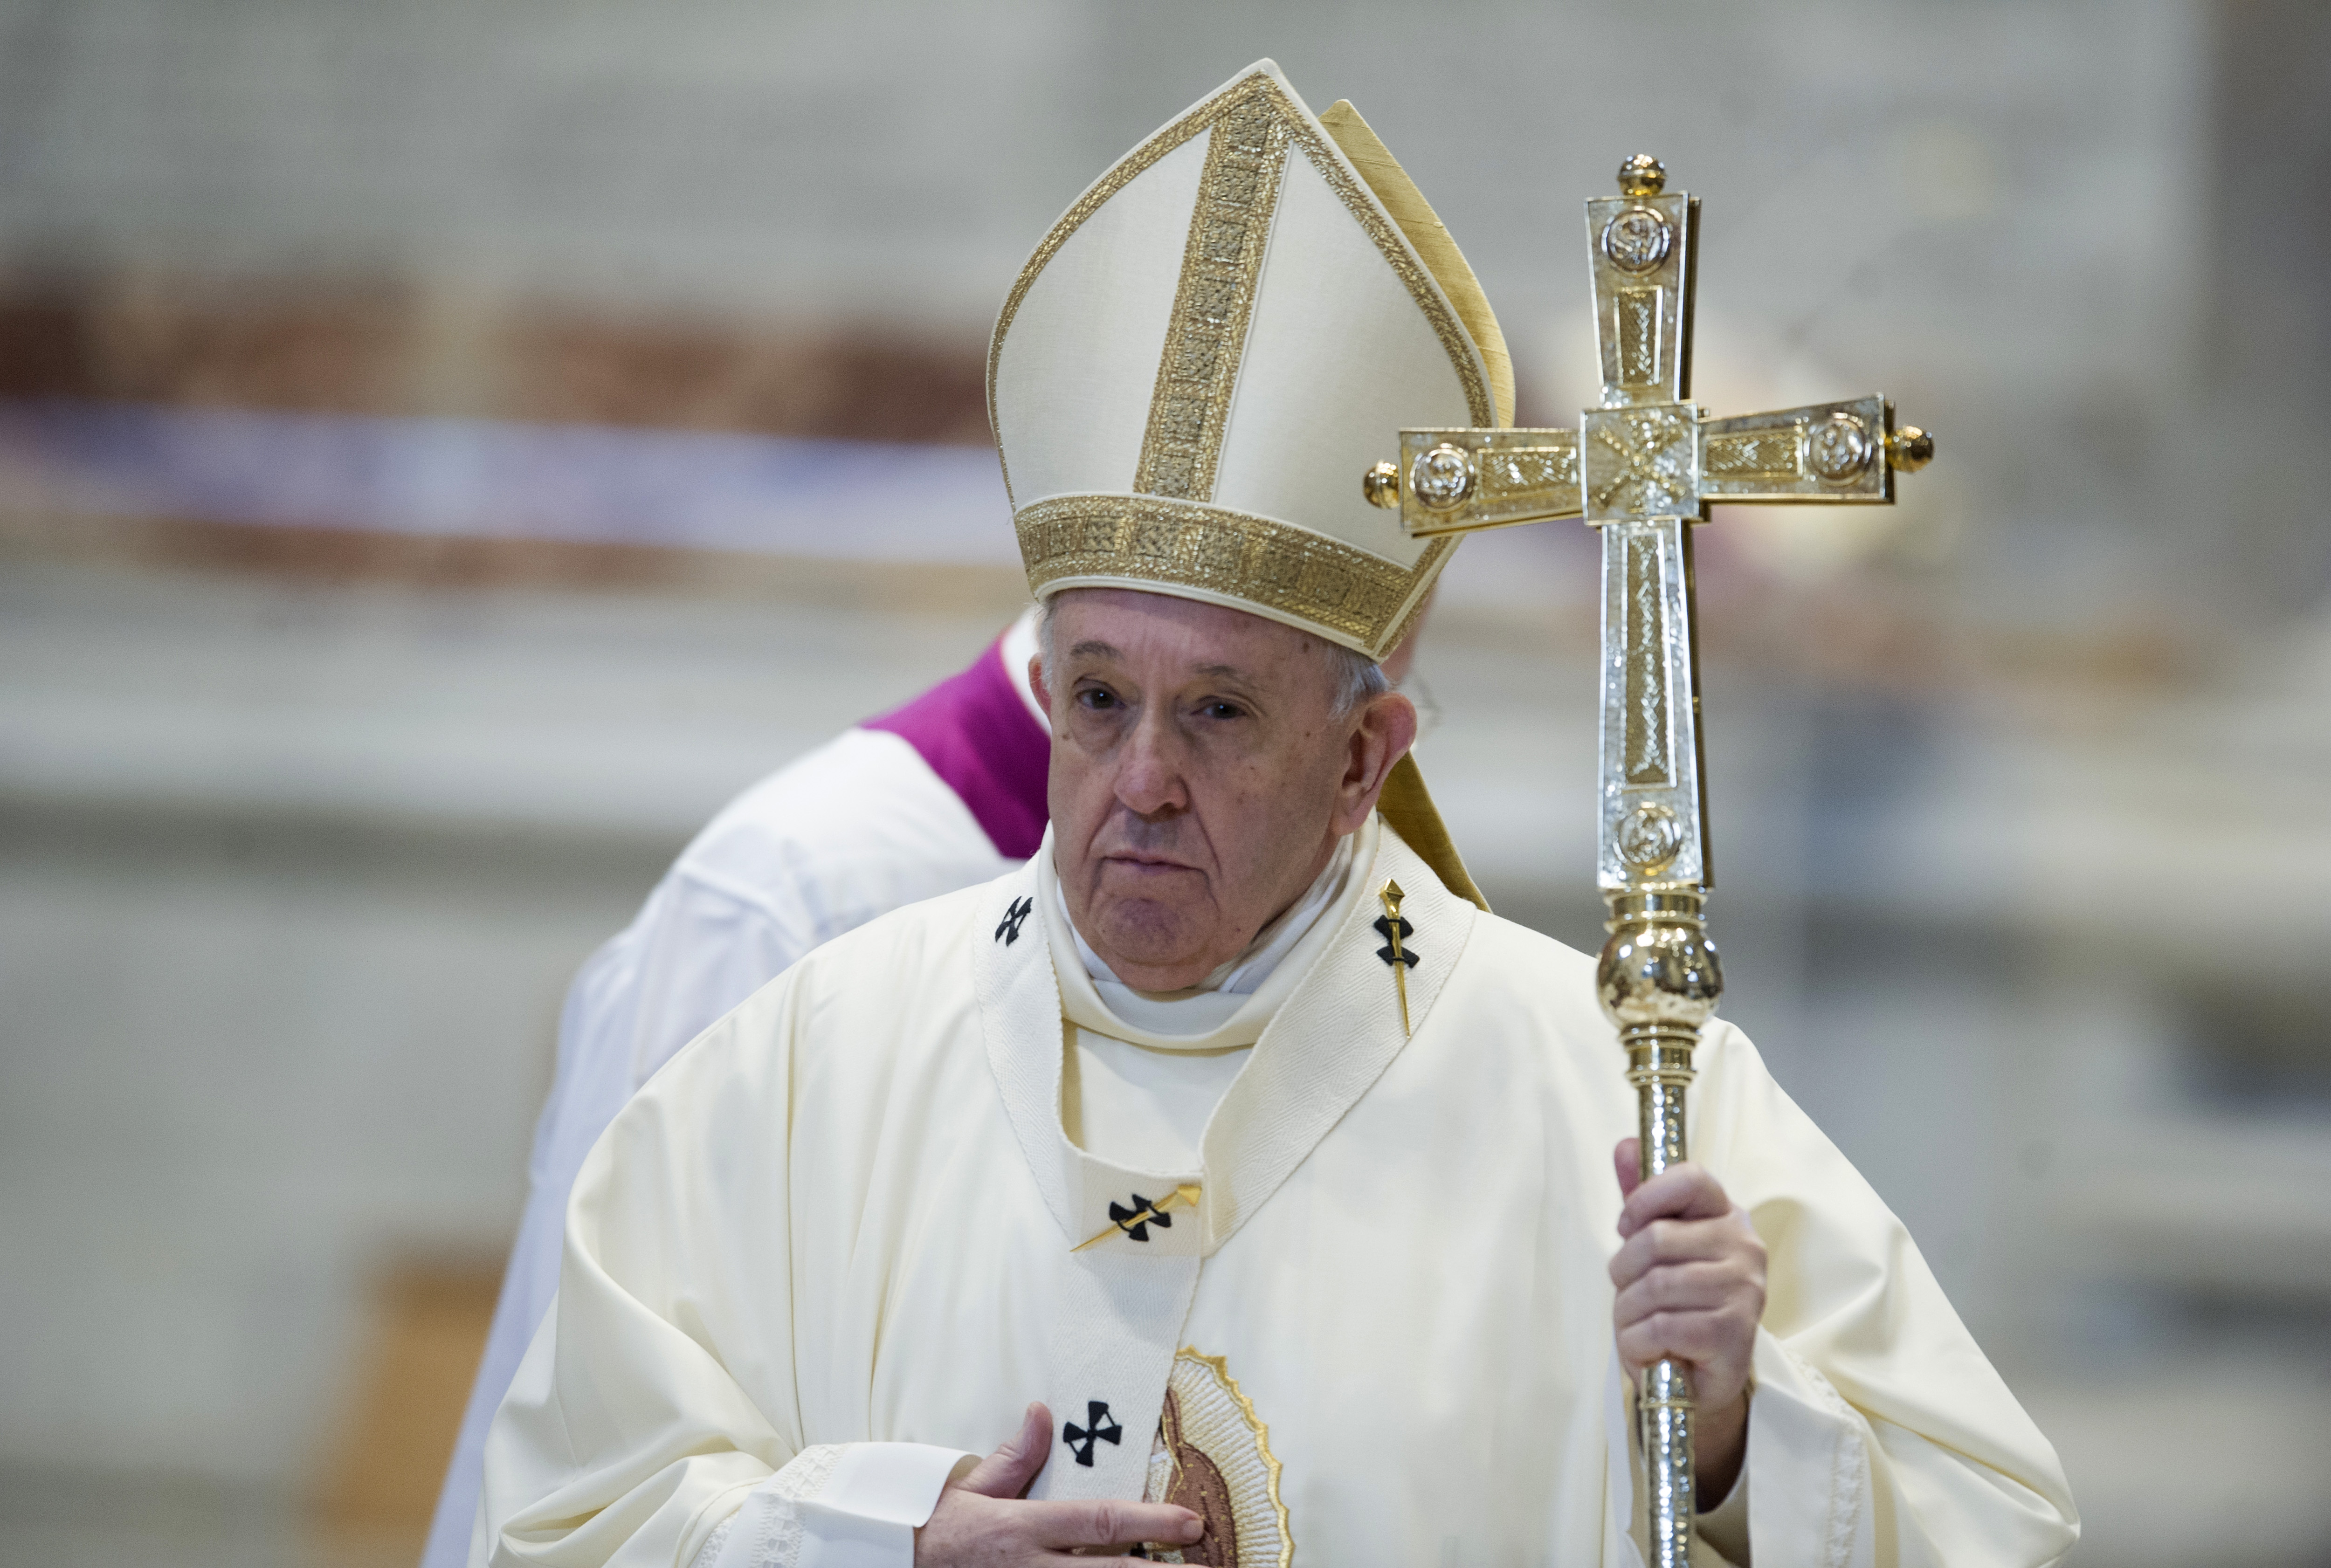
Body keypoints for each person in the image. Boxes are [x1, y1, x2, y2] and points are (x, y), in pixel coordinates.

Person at [473, 61, 2078, 1568]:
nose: (1143, 779)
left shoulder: (1608, 1105)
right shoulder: (808, 1064)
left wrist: (1731, 1436)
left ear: (1365, 755)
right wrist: (881, 1536)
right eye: (1099, 700)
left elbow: (1993, 1519)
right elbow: (555, 1506)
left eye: (1221, 714)